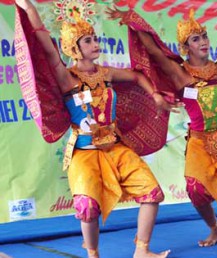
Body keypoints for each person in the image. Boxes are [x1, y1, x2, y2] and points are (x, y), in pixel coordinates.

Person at [106, 7, 217, 246]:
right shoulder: (180, 75)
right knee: (195, 190)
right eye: (195, 39)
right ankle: (215, 229)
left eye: (204, 36)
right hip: (200, 141)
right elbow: (152, 50)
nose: (203, 42)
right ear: (185, 47)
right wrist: (132, 20)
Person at [14, 1, 182, 257]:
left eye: (95, 38)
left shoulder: (106, 74)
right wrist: (29, 9)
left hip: (116, 148)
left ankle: (142, 250)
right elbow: (46, 47)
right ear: (74, 49)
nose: (95, 44)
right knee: (87, 207)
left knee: (152, 193)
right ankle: (93, 255)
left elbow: (137, 77)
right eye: (88, 40)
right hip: (85, 153)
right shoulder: (66, 77)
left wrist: (156, 95)